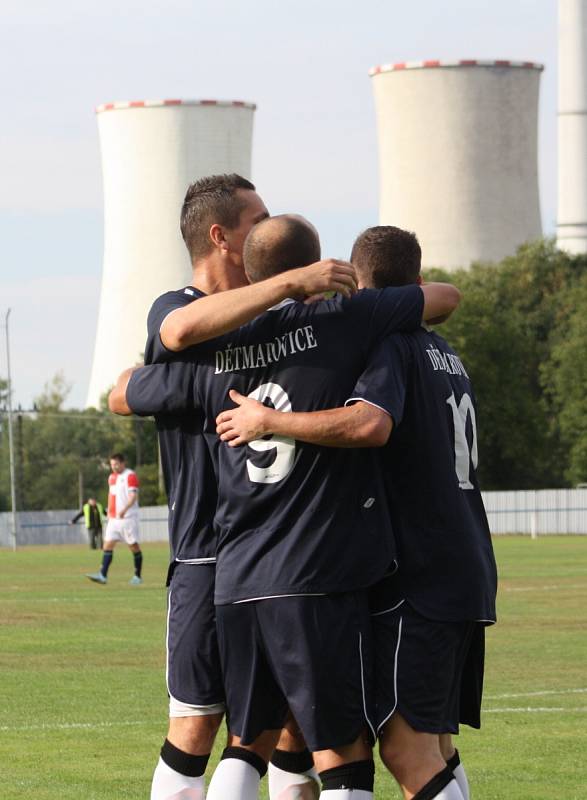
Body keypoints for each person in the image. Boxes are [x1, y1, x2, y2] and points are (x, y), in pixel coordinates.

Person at [111, 213, 461, 800]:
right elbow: (441, 299)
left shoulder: (215, 350)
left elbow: (126, 388)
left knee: (250, 740)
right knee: (344, 753)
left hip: (238, 577)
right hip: (315, 571)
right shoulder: (346, 320)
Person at [216, 225, 497, 800]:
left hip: (417, 577)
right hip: (466, 566)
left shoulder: (390, 346)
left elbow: (369, 424)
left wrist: (270, 422)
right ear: (414, 284)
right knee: (437, 744)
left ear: (362, 287)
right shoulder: (447, 353)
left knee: (403, 749)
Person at [132, 173, 361, 800]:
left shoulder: (271, 322)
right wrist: (291, 281)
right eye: (254, 218)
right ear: (219, 236)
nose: (266, 227)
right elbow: (145, 368)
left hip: (278, 557)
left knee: (284, 726)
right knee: (199, 723)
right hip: (207, 554)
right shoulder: (175, 310)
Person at [86, 453, 143, 586]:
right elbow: (112, 496)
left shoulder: (130, 476)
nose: (114, 467)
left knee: (133, 546)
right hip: (114, 519)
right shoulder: (111, 477)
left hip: (128, 518)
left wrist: (124, 510)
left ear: (123, 463)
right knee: (107, 545)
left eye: (116, 464)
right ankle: (103, 575)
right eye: (112, 465)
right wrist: (110, 512)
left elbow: (133, 496)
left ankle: (137, 576)